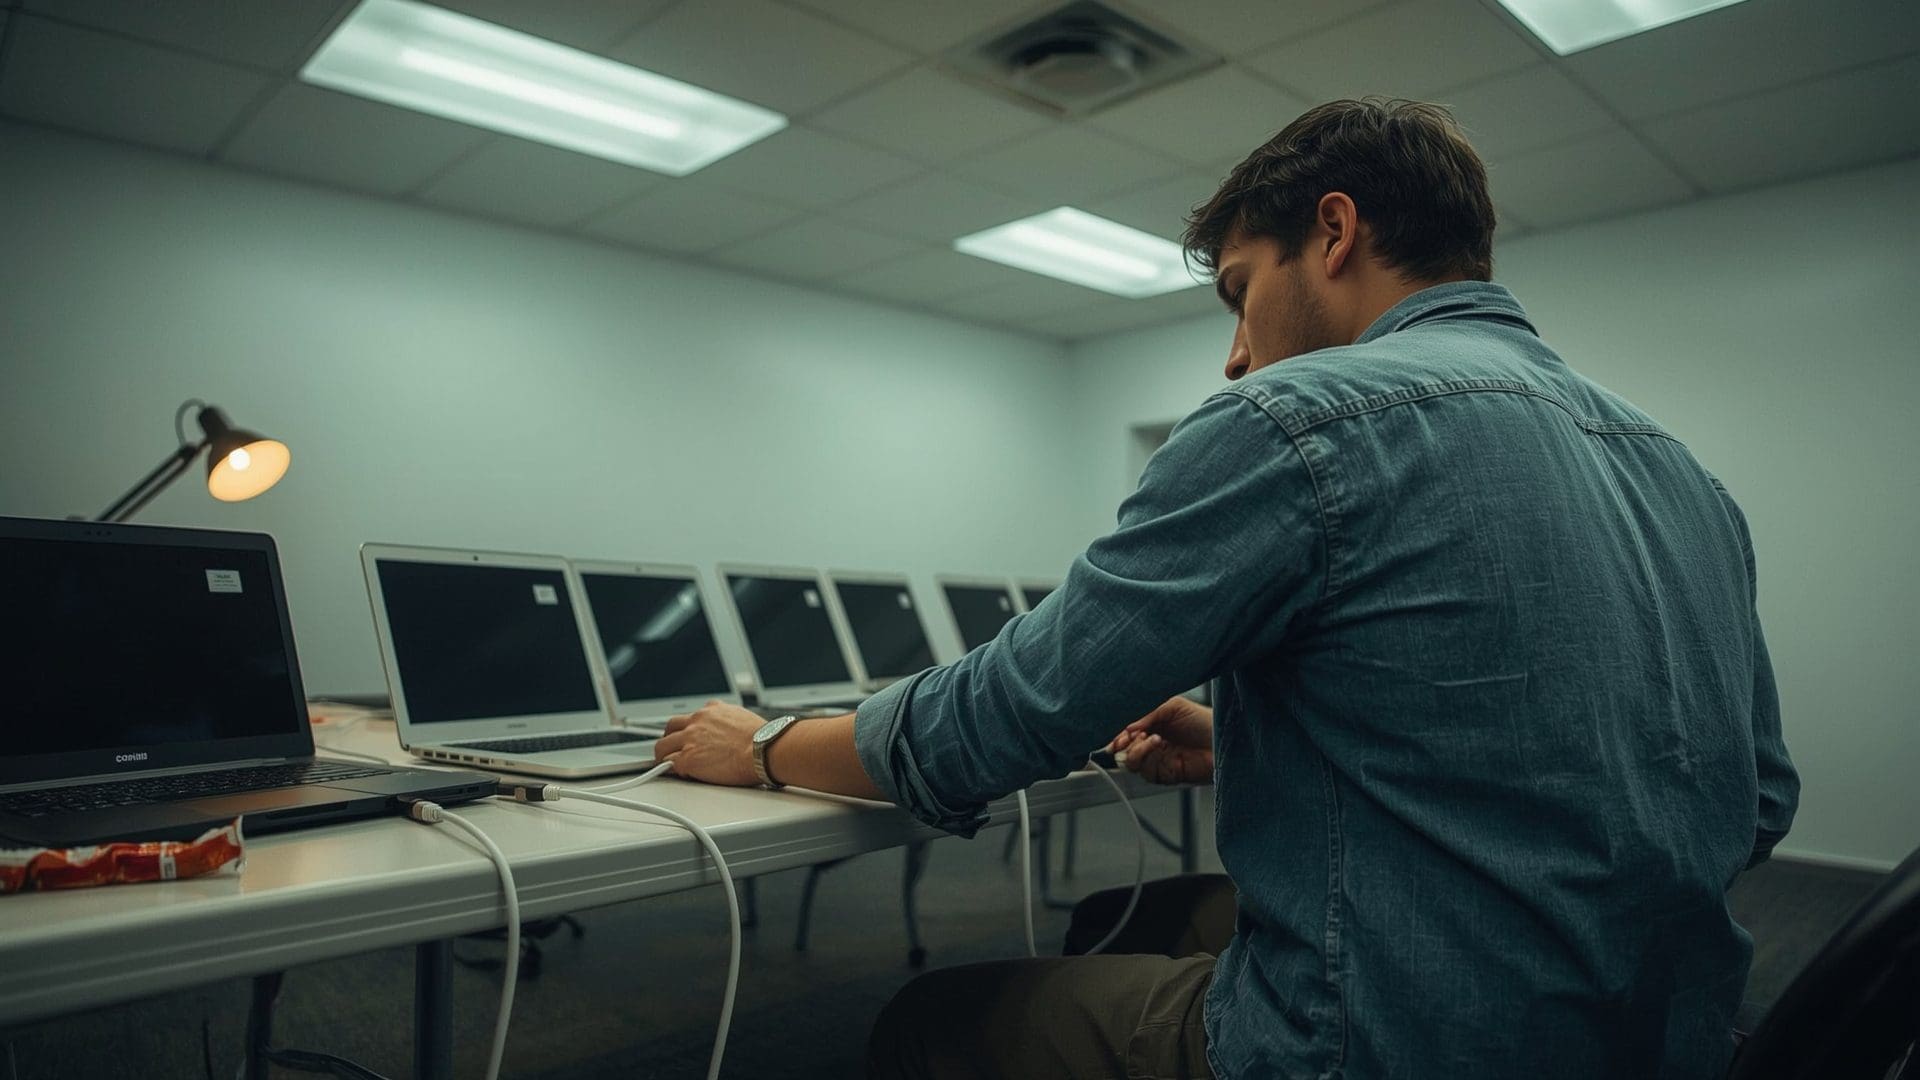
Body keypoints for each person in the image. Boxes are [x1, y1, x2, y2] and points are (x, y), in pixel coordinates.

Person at [655, 98, 1800, 1079]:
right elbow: (1753, 799)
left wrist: (761, 746)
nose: (1237, 352)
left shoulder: (1296, 422)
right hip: (1664, 1034)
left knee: (928, 1023)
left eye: (1242, 290)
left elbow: (1006, 716)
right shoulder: (1681, 470)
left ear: (1335, 232)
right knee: (1123, 920)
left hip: (1390, 1048)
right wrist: (1256, 742)